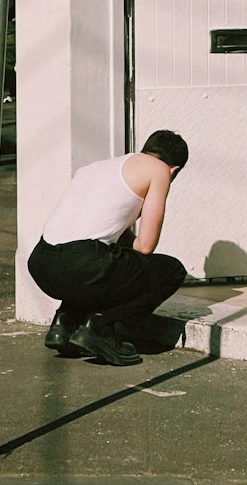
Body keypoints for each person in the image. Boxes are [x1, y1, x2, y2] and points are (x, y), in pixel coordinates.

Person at [27, 130, 189, 366]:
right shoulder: (160, 170)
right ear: (174, 170)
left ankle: (64, 323)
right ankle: (102, 329)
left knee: (103, 267)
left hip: (41, 262)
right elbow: (145, 247)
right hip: (83, 264)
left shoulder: (95, 168)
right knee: (171, 270)